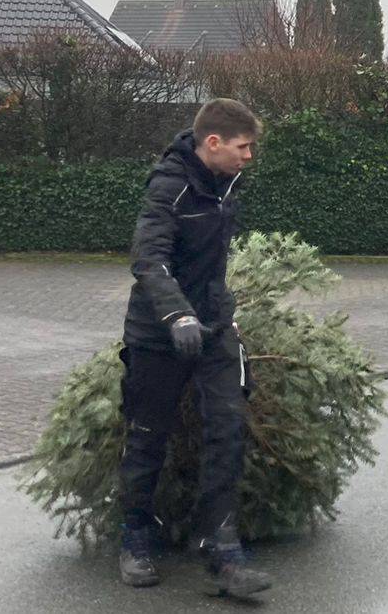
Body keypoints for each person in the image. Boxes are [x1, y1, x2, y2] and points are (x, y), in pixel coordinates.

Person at [115, 98, 272, 597]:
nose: (249, 157)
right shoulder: (168, 187)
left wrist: (219, 312)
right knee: (147, 434)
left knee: (227, 427)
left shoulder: (227, 183)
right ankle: (134, 537)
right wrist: (175, 313)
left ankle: (220, 547)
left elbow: (211, 262)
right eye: (244, 147)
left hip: (212, 326)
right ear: (214, 143)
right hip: (158, 331)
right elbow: (149, 259)